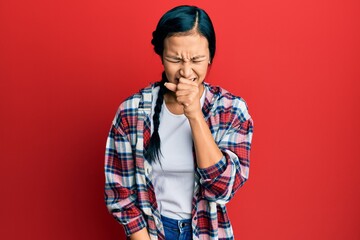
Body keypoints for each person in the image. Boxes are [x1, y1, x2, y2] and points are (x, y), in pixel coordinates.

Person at [104, 5, 254, 240]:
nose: (186, 71)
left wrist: (194, 114)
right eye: (175, 59)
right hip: (152, 232)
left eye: (196, 59)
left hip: (206, 233)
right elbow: (120, 193)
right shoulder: (132, 112)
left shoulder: (231, 110)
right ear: (162, 56)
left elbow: (222, 189)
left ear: (210, 57)